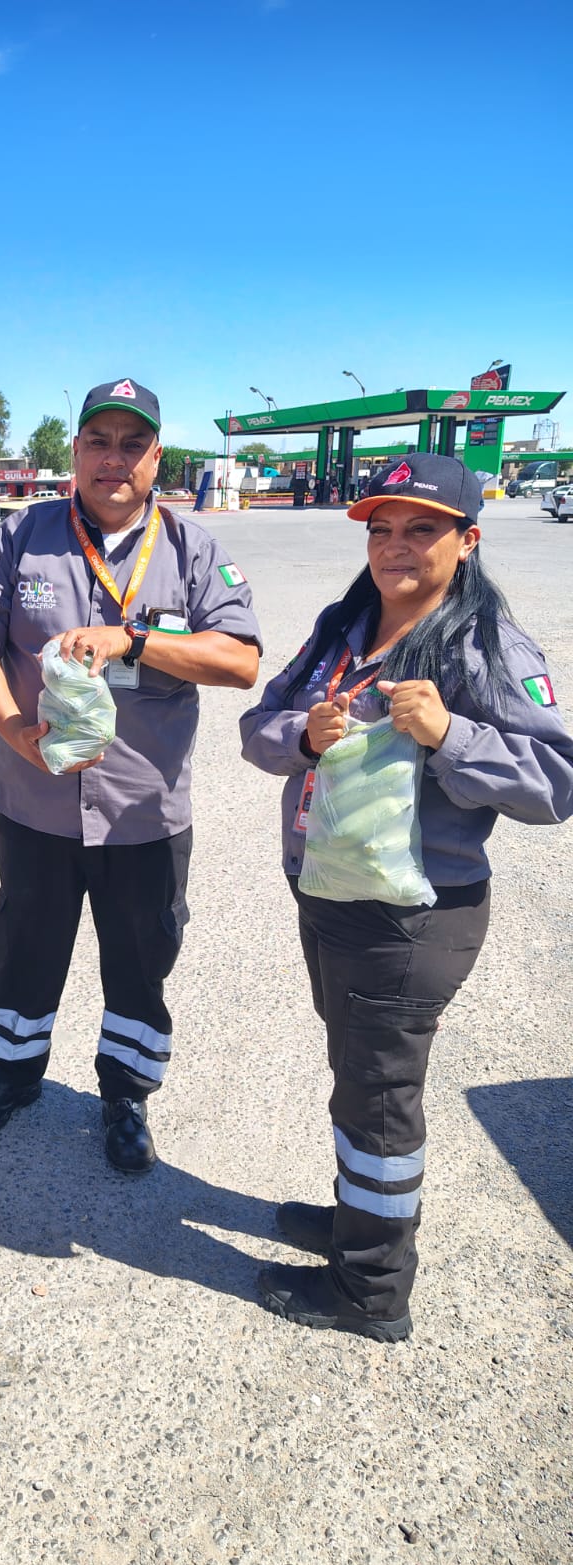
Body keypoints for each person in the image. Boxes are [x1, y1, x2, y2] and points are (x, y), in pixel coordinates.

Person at [239, 453, 573, 1341]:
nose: (396, 547)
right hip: (327, 891)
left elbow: (554, 784)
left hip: (413, 917)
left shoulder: (486, 645)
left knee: (380, 1100)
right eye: (382, 529)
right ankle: (359, 1221)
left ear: (468, 541)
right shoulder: (342, 626)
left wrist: (451, 734)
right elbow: (256, 729)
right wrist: (304, 737)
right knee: (358, 1078)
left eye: (422, 529)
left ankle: (371, 1291)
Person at [0, 379, 262, 1173]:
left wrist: (136, 640)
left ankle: (126, 1095)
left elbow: (240, 660)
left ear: (157, 458)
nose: (113, 459)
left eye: (132, 444)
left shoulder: (192, 551)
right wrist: (11, 728)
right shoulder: (21, 537)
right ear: (76, 451)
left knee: (140, 959)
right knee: (25, 946)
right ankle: (12, 1075)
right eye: (99, 442)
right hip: (36, 799)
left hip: (142, 811)